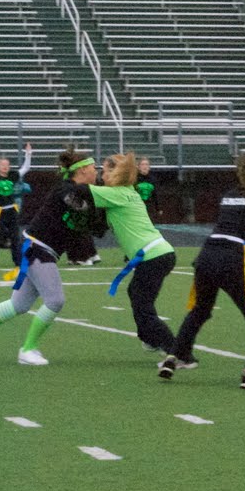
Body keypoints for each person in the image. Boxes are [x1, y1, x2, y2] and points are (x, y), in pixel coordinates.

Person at [0, 150, 102, 365]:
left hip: (39, 249)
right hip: (38, 249)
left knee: (18, 305)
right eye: (93, 167)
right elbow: (82, 202)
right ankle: (28, 349)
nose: (96, 171)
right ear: (82, 170)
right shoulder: (66, 190)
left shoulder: (80, 191)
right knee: (55, 300)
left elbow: (93, 224)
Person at [159, 153, 245, 389]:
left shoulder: (229, 196)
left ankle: (173, 357)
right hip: (233, 259)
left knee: (200, 310)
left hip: (207, 255)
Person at [73, 152, 178, 354]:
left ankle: (176, 350)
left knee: (143, 305)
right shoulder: (127, 191)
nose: (101, 175)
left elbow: (83, 190)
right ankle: (150, 338)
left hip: (153, 256)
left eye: (104, 171)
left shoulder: (116, 194)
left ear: (115, 173)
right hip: (159, 253)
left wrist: (70, 178)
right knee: (137, 294)